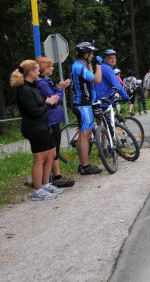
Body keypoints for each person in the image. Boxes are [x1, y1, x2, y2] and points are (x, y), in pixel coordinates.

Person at [11, 60, 64, 200]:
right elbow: (34, 111)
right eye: (36, 69)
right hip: (34, 127)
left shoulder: (33, 87)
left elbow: (42, 105)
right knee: (39, 159)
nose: (38, 72)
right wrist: (48, 103)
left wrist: (50, 101)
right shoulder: (24, 90)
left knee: (51, 154)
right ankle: (38, 191)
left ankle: (46, 185)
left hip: (43, 125)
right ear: (30, 72)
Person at [34, 57, 74, 188]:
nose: (52, 68)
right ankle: (56, 177)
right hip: (50, 119)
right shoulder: (42, 83)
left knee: (53, 149)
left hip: (52, 119)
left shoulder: (45, 82)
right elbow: (54, 99)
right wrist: (61, 88)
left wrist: (58, 88)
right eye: (50, 66)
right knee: (53, 150)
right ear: (44, 69)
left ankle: (54, 176)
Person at [71, 41, 103, 175]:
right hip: (83, 105)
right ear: (85, 54)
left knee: (85, 135)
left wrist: (90, 63)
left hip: (84, 104)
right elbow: (96, 80)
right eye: (91, 54)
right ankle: (85, 166)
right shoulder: (78, 67)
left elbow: (89, 77)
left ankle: (84, 164)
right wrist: (99, 65)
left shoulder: (80, 65)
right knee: (85, 135)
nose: (93, 56)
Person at [96, 49, 130, 114]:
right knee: (111, 122)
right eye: (110, 58)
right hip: (104, 99)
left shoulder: (105, 67)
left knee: (111, 121)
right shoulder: (106, 68)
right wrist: (125, 96)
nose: (113, 60)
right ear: (105, 59)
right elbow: (116, 84)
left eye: (114, 58)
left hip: (104, 98)